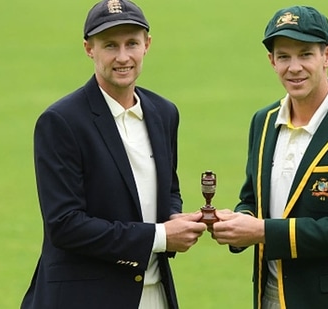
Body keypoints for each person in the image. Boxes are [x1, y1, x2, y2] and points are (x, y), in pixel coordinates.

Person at [20, 1, 208, 308]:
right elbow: (65, 225)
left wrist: (175, 216)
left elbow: (168, 189)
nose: (123, 57)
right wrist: (160, 236)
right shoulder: (61, 122)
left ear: (147, 44)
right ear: (89, 49)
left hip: (154, 293)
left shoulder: (164, 112)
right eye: (110, 45)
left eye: (131, 43)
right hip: (85, 298)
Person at [211, 5, 328, 309]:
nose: (294, 67)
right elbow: (252, 198)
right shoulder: (263, 121)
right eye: (284, 56)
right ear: (271, 61)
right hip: (271, 298)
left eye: (305, 54)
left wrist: (260, 231)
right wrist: (240, 221)